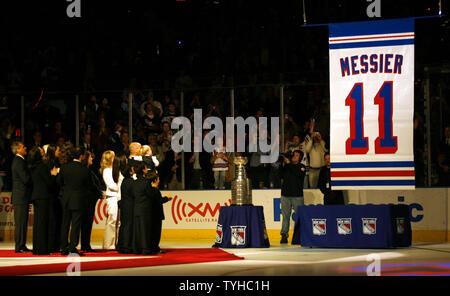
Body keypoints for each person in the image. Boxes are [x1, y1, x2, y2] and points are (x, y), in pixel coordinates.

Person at [57, 146, 91, 255]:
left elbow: (59, 182)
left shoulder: (64, 167)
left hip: (66, 198)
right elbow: (87, 185)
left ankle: (63, 247)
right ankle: (72, 247)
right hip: (78, 199)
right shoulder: (84, 169)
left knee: (65, 223)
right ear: (81, 156)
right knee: (76, 224)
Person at [29, 146, 59, 255]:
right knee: (42, 223)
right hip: (43, 197)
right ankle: (42, 249)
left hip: (36, 196)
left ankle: (37, 247)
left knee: (37, 223)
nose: (44, 156)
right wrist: (54, 175)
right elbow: (49, 182)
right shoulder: (42, 167)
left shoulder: (34, 167)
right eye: (42, 154)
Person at [279, 150, 306, 244]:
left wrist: (288, 163)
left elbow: (297, 174)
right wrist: (282, 163)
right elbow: (280, 174)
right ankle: (284, 235)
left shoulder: (302, 167)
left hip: (297, 196)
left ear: (300, 158)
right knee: (285, 216)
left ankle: (301, 234)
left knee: (300, 216)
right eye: (293, 155)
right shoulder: (287, 166)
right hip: (285, 195)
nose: (294, 156)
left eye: (297, 155)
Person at [11, 140, 32, 253]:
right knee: (20, 222)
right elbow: (25, 178)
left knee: (22, 222)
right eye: (23, 147)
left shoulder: (20, 161)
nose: (25, 148)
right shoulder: (19, 161)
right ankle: (19, 245)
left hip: (21, 196)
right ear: (18, 149)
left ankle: (21, 244)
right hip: (20, 196)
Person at [81, 150, 104, 252]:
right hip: (87, 200)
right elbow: (93, 185)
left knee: (87, 223)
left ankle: (85, 244)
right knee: (86, 223)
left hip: (89, 200)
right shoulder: (86, 171)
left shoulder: (89, 170)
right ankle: (85, 245)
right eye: (90, 157)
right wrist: (99, 193)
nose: (92, 159)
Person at [145, 170, 172, 254]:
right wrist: (167, 198)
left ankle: (152, 247)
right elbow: (159, 201)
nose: (159, 180)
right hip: (156, 214)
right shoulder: (155, 190)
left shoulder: (148, 190)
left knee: (151, 232)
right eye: (158, 179)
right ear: (154, 180)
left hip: (150, 214)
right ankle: (155, 248)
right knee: (156, 233)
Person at [100, 150, 122, 250]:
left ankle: (116, 243)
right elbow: (110, 184)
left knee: (118, 222)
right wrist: (120, 188)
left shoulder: (115, 169)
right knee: (112, 220)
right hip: (112, 197)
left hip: (118, 196)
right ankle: (109, 244)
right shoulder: (106, 170)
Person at [117, 163, 135, 254]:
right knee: (128, 225)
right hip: (129, 206)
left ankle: (121, 245)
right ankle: (127, 246)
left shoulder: (124, 181)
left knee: (124, 225)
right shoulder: (130, 182)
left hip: (124, 205)